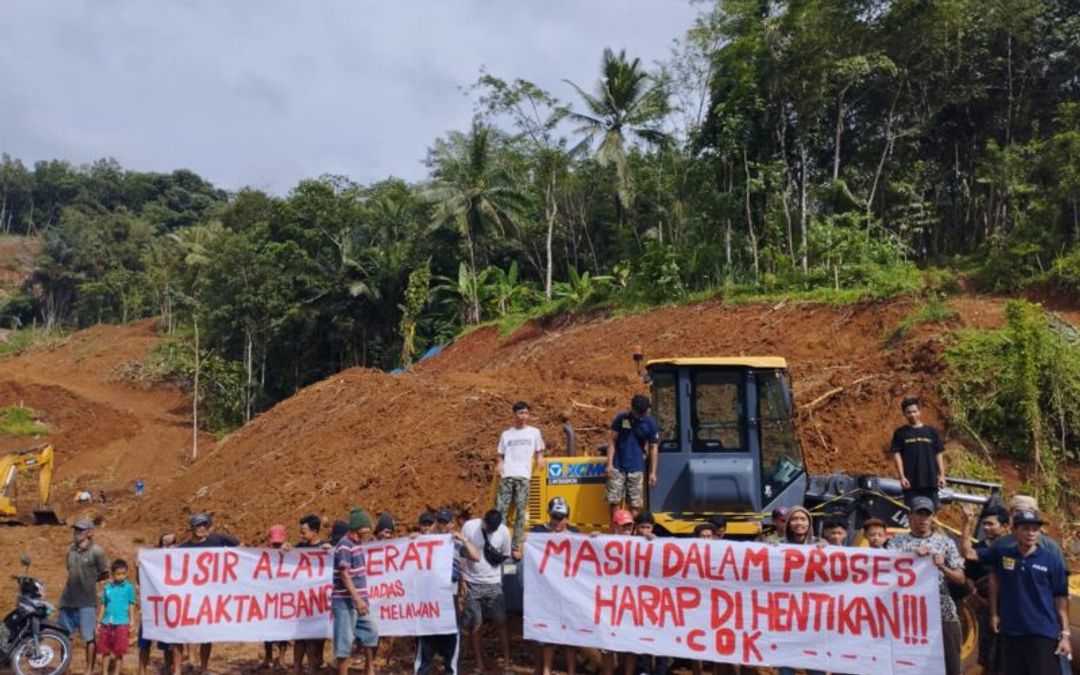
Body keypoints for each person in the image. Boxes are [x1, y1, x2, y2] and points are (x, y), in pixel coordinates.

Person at [981, 509, 1071, 674]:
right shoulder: (1003, 554)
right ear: (1014, 530)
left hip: (1043, 633)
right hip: (1011, 633)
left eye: (1035, 529)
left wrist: (1065, 635)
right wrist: (966, 524)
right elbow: (969, 553)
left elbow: (1061, 600)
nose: (1031, 533)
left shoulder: (1052, 561)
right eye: (1025, 528)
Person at [886, 496, 965, 675]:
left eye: (927, 514)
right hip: (907, 616)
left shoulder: (946, 543)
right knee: (909, 666)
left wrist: (943, 566)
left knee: (951, 665)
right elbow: (885, 572)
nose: (923, 519)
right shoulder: (896, 543)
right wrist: (911, 557)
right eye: (919, 514)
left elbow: (960, 578)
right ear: (910, 516)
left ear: (932, 517)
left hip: (942, 613)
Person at [414, 508, 480, 675]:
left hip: (449, 597)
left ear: (452, 524)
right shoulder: (427, 540)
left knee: (451, 639)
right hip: (428, 597)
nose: (442, 525)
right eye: (440, 521)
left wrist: (464, 540)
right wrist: (414, 540)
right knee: (426, 640)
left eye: (446, 522)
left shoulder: (456, 543)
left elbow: (476, 556)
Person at [178, 513, 239, 674]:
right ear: (191, 528)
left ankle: (204, 667)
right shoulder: (183, 548)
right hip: (191, 596)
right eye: (198, 526)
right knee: (190, 630)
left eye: (204, 525)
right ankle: (191, 658)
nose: (201, 528)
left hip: (212, 597)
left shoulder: (217, 541)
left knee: (206, 634)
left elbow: (240, 547)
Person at [530, 497, 580, 675]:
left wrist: (594, 539)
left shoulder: (576, 533)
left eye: (562, 517)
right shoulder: (537, 533)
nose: (558, 521)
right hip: (546, 593)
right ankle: (546, 670)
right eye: (555, 517)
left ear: (567, 517)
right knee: (547, 635)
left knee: (571, 636)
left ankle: (571, 671)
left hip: (569, 593)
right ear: (549, 515)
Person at [774, 507, 825, 675]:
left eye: (803, 519)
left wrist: (829, 549)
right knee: (786, 663)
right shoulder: (776, 544)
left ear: (809, 523)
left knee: (815, 663)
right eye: (794, 519)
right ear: (788, 523)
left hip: (813, 616)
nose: (799, 523)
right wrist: (769, 551)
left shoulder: (821, 545)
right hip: (786, 615)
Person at [460, 509, 512, 674]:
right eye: (488, 527)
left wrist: (508, 577)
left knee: (501, 623)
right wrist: (462, 579)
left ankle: (507, 662)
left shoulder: (503, 531)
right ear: (483, 521)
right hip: (472, 583)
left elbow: (506, 556)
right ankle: (479, 665)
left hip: (494, 584)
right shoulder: (469, 527)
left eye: (493, 529)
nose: (490, 530)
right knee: (475, 625)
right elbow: (461, 552)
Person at [495, 400, 545, 554]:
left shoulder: (534, 432)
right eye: (521, 413)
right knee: (501, 510)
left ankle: (515, 544)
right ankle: (500, 542)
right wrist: (499, 464)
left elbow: (540, 450)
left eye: (526, 413)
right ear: (514, 414)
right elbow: (499, 454)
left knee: (521, 511)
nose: (524, 416)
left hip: (524, 476)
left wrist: (540, 458)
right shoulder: (507, 434)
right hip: (507, 475)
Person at [60, 517, 109, 675]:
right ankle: (65, 668)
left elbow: (104, 572)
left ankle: (88, 670)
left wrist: (90, 582)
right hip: (67, 600)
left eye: (80, 530)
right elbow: (69, 568)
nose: (76, 533)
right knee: (64, 636)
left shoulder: (97, 551)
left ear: (89, 533)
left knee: (89, 638)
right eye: (75, 529)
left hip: (86, 602)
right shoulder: (70, 550)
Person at [333, 508, 376, 675]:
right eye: (366, 527)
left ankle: (369, 669)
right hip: (346, 602)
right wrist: (357, 599)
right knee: (344, 644)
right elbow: (344, 574)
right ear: (358, 527)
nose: (368, 530)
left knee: (371, 633)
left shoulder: (357, 544)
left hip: (360, 601)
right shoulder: (344, 545)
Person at [605, 395, 659, 518]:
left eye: (643, 413)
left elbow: (653, 448)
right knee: (614, 503)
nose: (640, 416)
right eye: (638, 413)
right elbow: (612, 441)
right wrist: (609, 464)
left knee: (635, 504)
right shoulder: (621, 418)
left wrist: (653, 472)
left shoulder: (650, 423)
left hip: (636, 468)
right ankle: (616, 531)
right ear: (632, 409)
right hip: (617, 467)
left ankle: (632, 533)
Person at [890, 396, 946, 508]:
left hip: (930, 480)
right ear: (904, 414)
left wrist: (942, 475)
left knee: (933, 510)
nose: (912, 415)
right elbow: (897, 455)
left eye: (915, 411)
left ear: (919, 412)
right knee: (912, 510)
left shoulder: (931, 432)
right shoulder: (900, 433)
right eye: (909, 412)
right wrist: (902, 477)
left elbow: (938, 454)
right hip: (911, 482)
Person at [139, 532, 179, 675]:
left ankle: (169, 669)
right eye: (165, 544)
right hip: (152, 609)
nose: (168, 547)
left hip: (170, 610)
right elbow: (141, 582)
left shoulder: (180, 564)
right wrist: (139, 568)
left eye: (172, 543)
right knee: (144, 643)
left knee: (168, 644)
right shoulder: (152, 562)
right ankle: (141, 671)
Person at [989, 495, 1067, 567]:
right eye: (1018, 511)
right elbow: (991, 573)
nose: (1022, 515)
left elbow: (1061, 577)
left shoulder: (1050, 547)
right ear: (1010, 515)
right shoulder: (1000, 544)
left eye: (1027, 511)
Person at [294, 515, 327, 675]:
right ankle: (297, 669)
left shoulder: (326, 548)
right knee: (300, 637)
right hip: (301, 602)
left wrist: (330, 550)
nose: (301, 536)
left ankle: (313, 668)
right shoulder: (298, 548)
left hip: (319, 602)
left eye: (304, 532)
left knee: (315, 638)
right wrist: (286, 551)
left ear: (315, 531)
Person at [97, 559, 136, 675]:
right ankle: (104, 672)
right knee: (105, 650)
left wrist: (132, 620)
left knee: (119, 651)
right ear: (113, 574)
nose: (121, 576)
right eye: (118, 574)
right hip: (107, 622)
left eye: (123, 574)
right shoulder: (108, 587)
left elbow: (131, 604)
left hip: (122, 622)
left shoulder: (129, 588)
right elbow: (104, 604)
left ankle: (116, 672)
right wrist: (99, 620)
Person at [263, 524, 290, 670]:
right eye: (274, 543)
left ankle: (281, 658)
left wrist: (289, 551)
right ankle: (268, 657)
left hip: (284, 598)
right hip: (268, 597)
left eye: (278, 543)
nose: (276, 546)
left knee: (283, 628)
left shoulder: (289, 553)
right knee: (267, 628)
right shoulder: (263, 554)